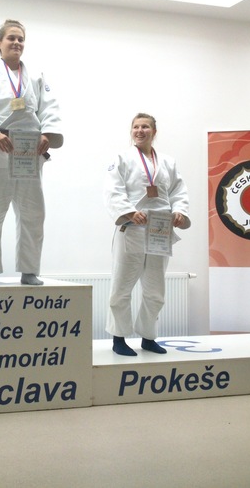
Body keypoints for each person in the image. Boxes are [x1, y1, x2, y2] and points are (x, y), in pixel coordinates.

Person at [0, 19, 63, 286]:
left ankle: (29, 269)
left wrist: (47, 134)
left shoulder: (36, 76)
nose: (16, 43)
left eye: (21, 39)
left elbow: (50, 108)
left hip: (28, 151)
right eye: (11, 38)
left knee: (33, 213)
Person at [104, 113, 190, 356]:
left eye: (145, 127)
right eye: (136, 127)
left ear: (154, 131)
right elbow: (113, 190)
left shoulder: (168, 162)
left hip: (159, 228)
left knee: (155, 289)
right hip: (131, 227)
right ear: (131, 131)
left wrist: (180, 211)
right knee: (122, 286)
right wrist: (129, 212)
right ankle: (119, 338)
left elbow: (178, 191)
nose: (140, 131)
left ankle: (148, 336)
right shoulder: (121, 159)